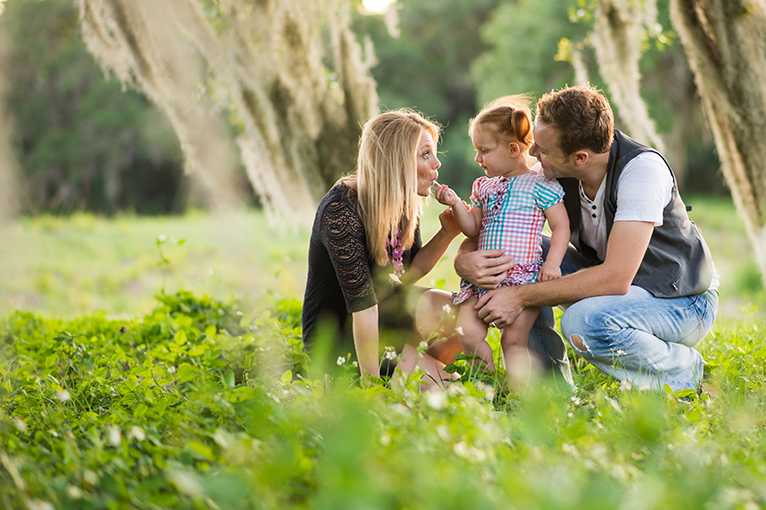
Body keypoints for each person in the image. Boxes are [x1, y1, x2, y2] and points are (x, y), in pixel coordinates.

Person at [456, 86, 718, 392]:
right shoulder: (550, 173)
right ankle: (549, 390)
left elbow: (616, 278)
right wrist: (464, 261)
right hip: (622, 292)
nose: (532, 154)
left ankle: (688, 374)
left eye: (542, 149)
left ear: (580, 158)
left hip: (681, 302)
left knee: (584, 323)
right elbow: (493, 222)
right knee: (528, 253)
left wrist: (519, 295)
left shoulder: (641, 172)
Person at [302, 110, 462, 389]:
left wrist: (447, 233)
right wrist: (371, 389)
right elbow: (364, 309)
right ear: (395, 162)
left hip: (389, 316)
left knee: (458, 311)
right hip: (342, 333)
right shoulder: (341, 211)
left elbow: (408, 272)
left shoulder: (401, 202)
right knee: (449, 392)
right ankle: (371, 381)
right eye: (425, 154)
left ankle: (411, 368)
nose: (436, 163)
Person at [433, 97, 569, 390]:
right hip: (482, 280)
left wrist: (553, 263)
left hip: (521, 279)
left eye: (484, 150)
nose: (477, 158)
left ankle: (519, 395)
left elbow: (560, 227)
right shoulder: (484, 186)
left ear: (512, 149)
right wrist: (456, 203)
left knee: (514, 341)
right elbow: (473, 228)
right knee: (467, 332)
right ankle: (487, 384)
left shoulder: (540, 184)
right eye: (476, 151)